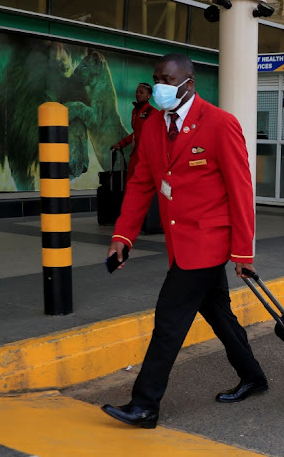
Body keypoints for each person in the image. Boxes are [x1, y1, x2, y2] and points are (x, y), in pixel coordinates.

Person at [101, 53, 267, 429]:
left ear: (188, 83)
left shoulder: (220, 123)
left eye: (166, 80)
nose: (158, 87)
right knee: (218, 314)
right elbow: (142, 182)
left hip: (208, 242)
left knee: (169, 321)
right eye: (156, 78)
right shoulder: (155, 125)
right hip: (181, 241)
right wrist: (122, 235)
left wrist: (243, 251)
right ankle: (254, 376)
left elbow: (240, 191)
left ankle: (145, 405)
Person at [112, 83, 156, 179]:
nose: (138, 94)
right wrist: (121, 144)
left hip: (147, 155)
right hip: (136, 153)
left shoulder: (153, 113)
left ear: (148, 96)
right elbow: (137, 133)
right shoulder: (135, 111)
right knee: (131, 180)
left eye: (141, 92)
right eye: (136, 92)